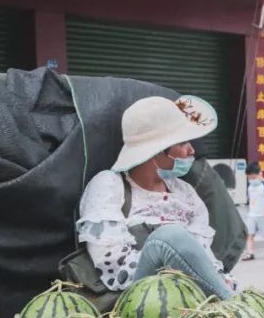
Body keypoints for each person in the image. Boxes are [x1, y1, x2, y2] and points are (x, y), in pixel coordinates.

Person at [77, 95, 234, 298]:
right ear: (156, 151)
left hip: (190, 296)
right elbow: (114, 269)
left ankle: (232, 303)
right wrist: (169, 252)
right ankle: (232, 306)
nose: (191, 150)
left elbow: (203, 256)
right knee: (169, 236)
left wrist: (221, 279)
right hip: (137, 296)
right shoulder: (108, 186)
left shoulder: (185, 192)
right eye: (183, 143)